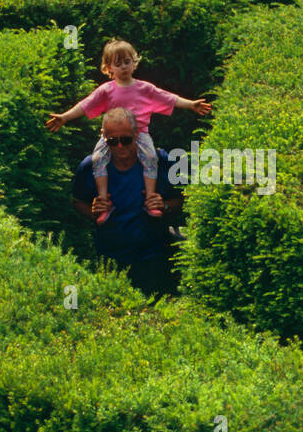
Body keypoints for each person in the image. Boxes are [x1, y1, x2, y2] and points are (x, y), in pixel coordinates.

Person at [47, 38, 211, 225]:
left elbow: (168, 98)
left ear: (134, 62)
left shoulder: (144, 88)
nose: (124, 67)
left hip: (140, 134)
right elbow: (85, 105)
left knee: (150, 158)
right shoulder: (106, 90)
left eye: (127, 61)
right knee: (98, 159)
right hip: (110, 135)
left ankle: (151, 199)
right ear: (108, 68)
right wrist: (65, 117)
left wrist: (191, 104)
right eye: (118, 64)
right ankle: (103, 201)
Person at [71, 108, 185, 296]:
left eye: (126, 140)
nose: (120, 147)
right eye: (112, 142)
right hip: (110, 259)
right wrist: (94, 212)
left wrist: (164, 206)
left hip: (154, 258)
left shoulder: (160, 160)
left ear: (137, 134)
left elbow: (182, 198)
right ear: (103, 137)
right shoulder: (90, 166)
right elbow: (77, 201)